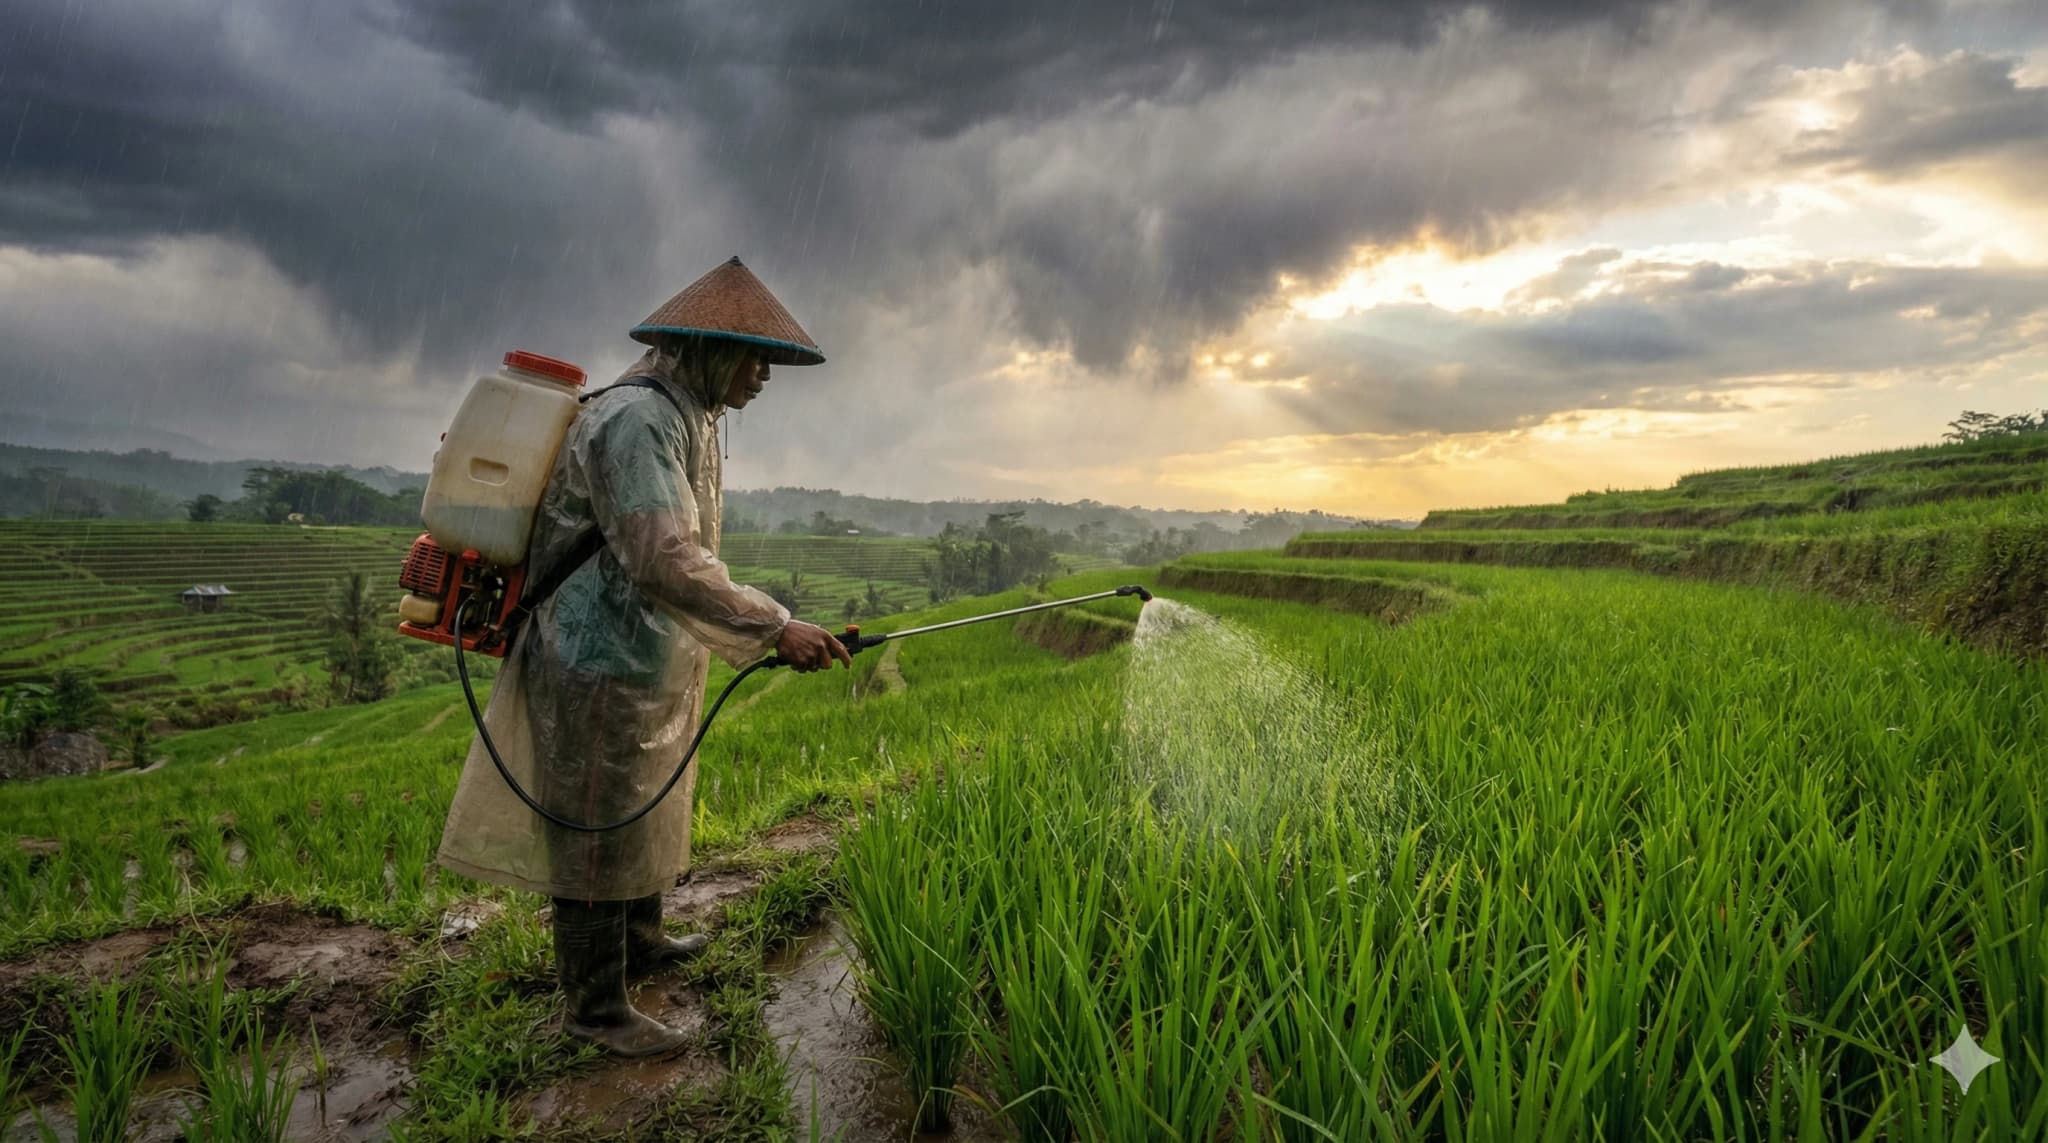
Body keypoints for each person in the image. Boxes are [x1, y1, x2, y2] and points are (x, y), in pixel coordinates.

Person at [437, 257, 851, 1056]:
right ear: (702, 347)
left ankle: (641, 941)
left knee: (641, 800)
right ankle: (594, 1010)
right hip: (592, 658)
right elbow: (663, 553)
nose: (763, 375)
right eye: (752, 357)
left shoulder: (689, 412)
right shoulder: (637, 420)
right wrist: (775, 625)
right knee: (597, 823)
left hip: (640, 651)